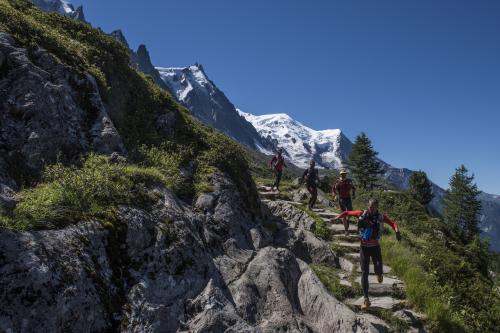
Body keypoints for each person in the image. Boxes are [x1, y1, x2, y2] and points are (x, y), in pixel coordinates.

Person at [334, 198, 401, 310]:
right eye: (370, 207)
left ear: (377, 207)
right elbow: (347, 213)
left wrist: (397, 232)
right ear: (368, 206)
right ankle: (366, 299)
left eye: (374, 207)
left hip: (375, 247)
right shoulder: (361, 214)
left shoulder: (381, 217)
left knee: (378, 269)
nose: (372, 209)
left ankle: (379, 274)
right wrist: (337, 217)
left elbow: (393, 223)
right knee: (364, 272)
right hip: (364, 248)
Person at [332, 170, 356, 236]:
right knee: (344, 215)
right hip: (341, 199)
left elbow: (353, 188)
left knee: (350, 213)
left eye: (344, 174)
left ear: (346, 174)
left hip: (348, 198)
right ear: (340, 174)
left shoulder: (349, 181)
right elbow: (333, 189)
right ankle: (346, 230)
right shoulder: (338, 181)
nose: (343, 175)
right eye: (342, 174)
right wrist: (334, 195)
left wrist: (353, 195)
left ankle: (347, 222)